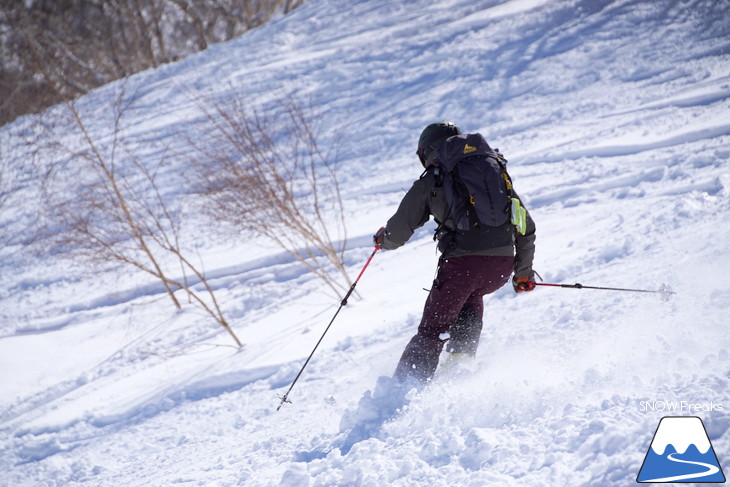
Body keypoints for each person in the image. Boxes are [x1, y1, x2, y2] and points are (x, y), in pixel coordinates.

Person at [373, 121, 537, 384]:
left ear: (426, 152)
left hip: (464, 266)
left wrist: (384, 240)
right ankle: (457, 376)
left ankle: (403, 390)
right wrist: (522, 274)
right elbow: (526, 227)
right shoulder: (494, 173)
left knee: (432, 330)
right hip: (501, 267)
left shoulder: (435, 177)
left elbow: (400, 229)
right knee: (471, 298)